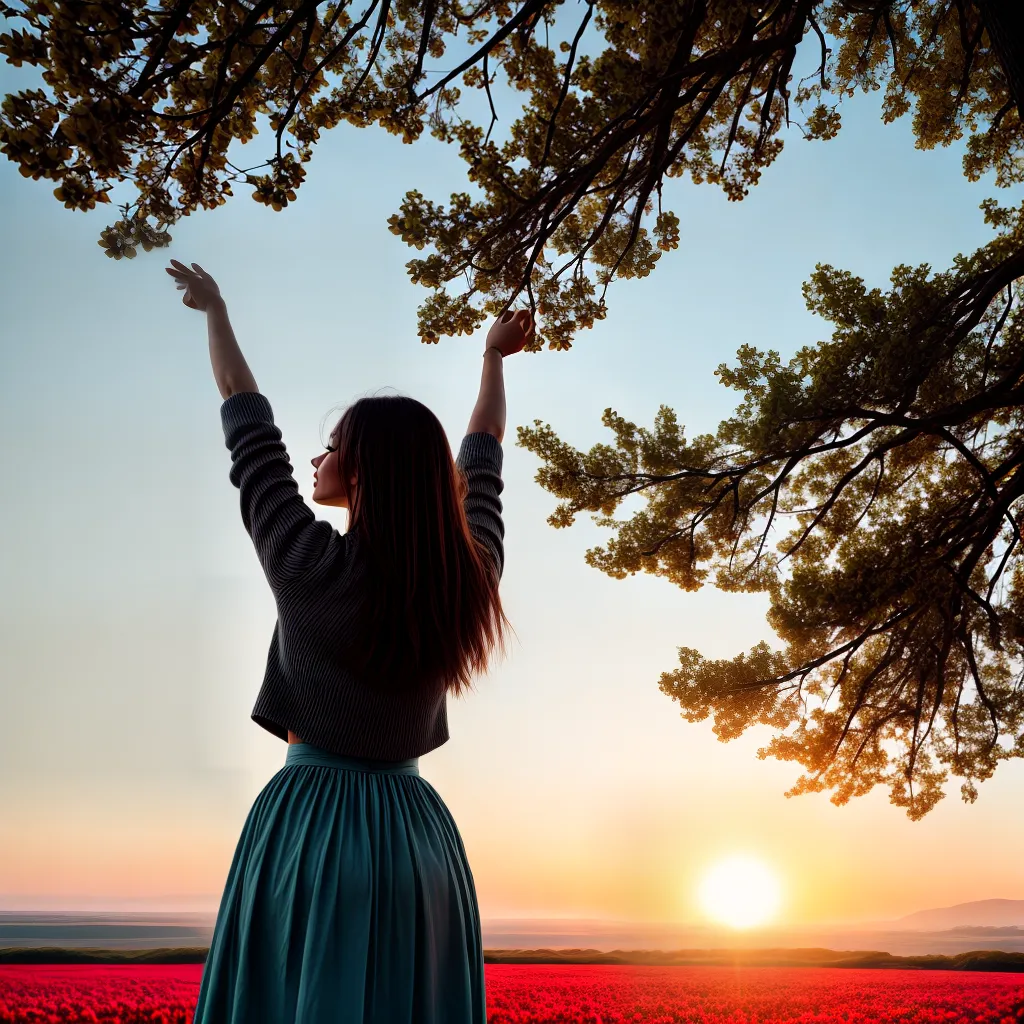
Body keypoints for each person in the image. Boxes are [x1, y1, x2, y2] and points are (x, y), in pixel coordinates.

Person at [164, 258, 531, 1023]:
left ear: (362, 472)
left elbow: (244, 413)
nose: (315, 458)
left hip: (309, 825)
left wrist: (215, 311)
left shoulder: (305, 561)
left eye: (332, 447)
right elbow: (485, 452)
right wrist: (493, 359)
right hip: (415, 840)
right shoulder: (468, 579)